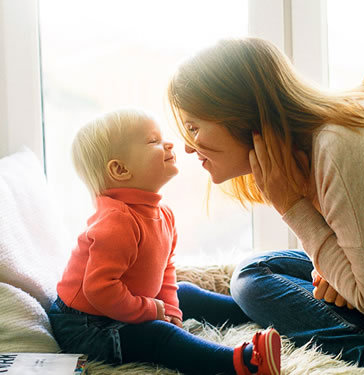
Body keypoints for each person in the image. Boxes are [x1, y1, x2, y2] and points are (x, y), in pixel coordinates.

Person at [167, 37, 364, 371]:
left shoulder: (335, 147)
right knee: (256, 270)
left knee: (252, 280)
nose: (189, 148)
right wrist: (332, 271)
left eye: (194, 127)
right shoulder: (314, 147)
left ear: (238, 113)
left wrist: (292, 207)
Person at [48, 108, 282, 375]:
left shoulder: (163, 215)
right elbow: (99, 289)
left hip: (120, 305)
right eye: (153, 141)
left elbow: (165, 271)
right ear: (120, 169)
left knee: (185, 292)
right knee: (159, 335)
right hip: (85, 325)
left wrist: (170, 309)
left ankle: (264, 313)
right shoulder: (116, 222)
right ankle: (242, 363)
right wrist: (150, 311)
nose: (169, 143)